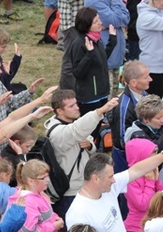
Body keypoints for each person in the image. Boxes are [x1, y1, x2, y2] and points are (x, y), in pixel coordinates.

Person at [45, 90, 119, 218]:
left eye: (76, 104)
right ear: (59, 111)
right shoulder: (57, 132)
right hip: (70, 191)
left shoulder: (73, 121)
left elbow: (91, 144)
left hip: (83, 185)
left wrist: (90, 146)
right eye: (71, 106)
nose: (77, 108)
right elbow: (75, 131)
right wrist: (100, 111)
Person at [124, 138, 163, 232]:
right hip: (137, 230)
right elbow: (143, 205)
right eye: (152, 155)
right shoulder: (130, 178)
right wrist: (150, 181)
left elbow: (162, 198)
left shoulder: (151, 173)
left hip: (151, 227)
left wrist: (157, 180)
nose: (155, 159)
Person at [67, 7, 116, 120]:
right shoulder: (79, 43)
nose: (100, 23)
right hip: (89, 97)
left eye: (99, 19)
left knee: (99, 127)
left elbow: (101, 60)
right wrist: (89, 54)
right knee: (90, 131)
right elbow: (78, 72)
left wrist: (112, 41)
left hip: (102, 93)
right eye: (96, 22)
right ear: (86, 25)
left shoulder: (96, 39)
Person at [110, 60, 151, 172]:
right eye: (146, 77)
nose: (150, 79)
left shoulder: (143, 94)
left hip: (143, 151)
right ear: (133, 82)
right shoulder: (123, 107)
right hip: (126, 160)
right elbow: (122, 141)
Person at [84, 0, 129, 93]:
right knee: (107, 96)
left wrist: (115, 0)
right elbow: (117, 20)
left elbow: (126, 19)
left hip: (116, 54)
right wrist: (115, 1)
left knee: (114, 94)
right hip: (105, 56)